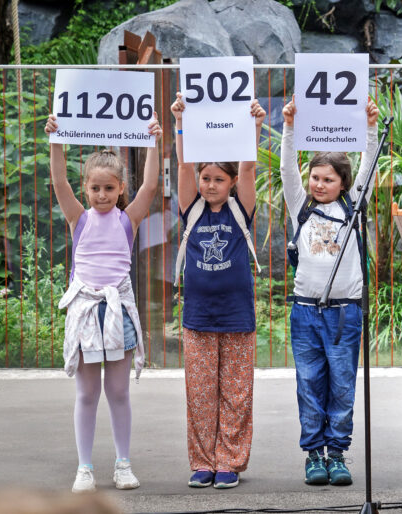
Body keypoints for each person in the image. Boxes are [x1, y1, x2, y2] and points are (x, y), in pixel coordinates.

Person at [45, 113, 162, 493]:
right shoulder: (78, 218)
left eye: (109, 188)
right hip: (85, 312)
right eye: (95, 188)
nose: (101, 195)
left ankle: (123, 464)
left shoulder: (128, 220)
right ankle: (84, 468)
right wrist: (55, 139)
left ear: (120, 188)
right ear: (85, 188)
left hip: (118, 312)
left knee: (119, 392)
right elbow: (58, 181)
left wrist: (153, 141)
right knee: (87, 394)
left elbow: (151, 185)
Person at [280, 96, 379, 486]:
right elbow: (287, 168)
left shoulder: (353, 206)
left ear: (343, 183)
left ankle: (337, 453)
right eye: (316, 178)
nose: (319, 184)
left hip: (344, 314)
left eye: (328, 179)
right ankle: (313, 455)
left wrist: (370, 126)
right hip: (305, 311)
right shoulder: (300, 206)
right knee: (309, 383)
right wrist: (290, 126)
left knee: (341, 384)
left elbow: (369, 166)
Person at [170, 93, 265, 490]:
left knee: (237, 394)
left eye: (218, 179)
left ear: (231, 183)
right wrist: (180, 123)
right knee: (201, 395)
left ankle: (229, 461)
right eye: (206, 178)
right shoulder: (191, 208)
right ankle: (203, 462)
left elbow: (248, 166)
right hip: (198, 319)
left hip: (237, 317)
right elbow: (183, 164)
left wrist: (255, 126)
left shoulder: (240, 209)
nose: (210, 185)